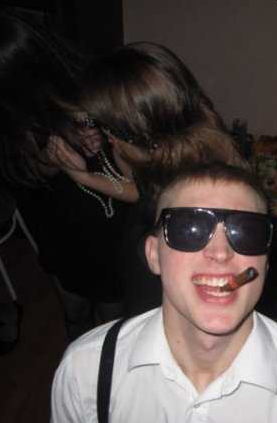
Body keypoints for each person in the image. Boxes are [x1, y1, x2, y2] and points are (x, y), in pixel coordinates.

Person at [47, 162, 277, 423]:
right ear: (153, 255)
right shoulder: (85, 371)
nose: (220, 253)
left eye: (246, 231)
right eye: (189, 228)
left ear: (265, 262)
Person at [0, 8, 128, 341]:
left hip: (104, 219)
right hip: (54, 222)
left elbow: (128, 156)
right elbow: (20, 174)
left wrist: (98, 133)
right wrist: (57, 161)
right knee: (74, 309)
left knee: (111, 318)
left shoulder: (78, 76)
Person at [74, 42, 247, 317]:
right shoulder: (178, 154)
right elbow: (141, 190)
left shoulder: (184, 221)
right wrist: (84, 175)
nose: (108, 138)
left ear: (140, 137)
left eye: (109, 131)